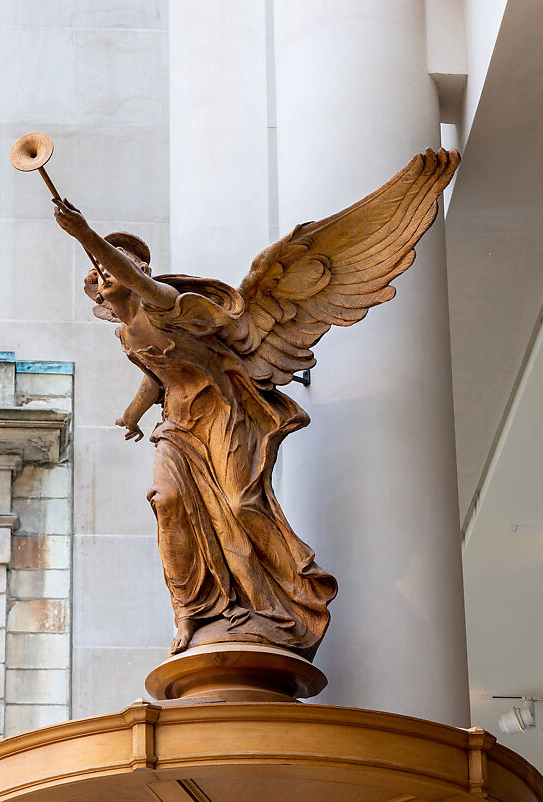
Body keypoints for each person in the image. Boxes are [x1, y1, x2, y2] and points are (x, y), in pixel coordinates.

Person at [53, 197, 338, 658]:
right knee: (166, 503)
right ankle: (191, 611)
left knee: (241, 505)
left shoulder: (164, 304)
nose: (102, 272)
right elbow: (156, 375)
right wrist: (133, 413)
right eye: (97, 270)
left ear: (140, 272)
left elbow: (138, 287)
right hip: (178, 426)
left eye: (114, 263)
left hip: (222, 413)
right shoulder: (125, 333)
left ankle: (280, 604)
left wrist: (84, 234)